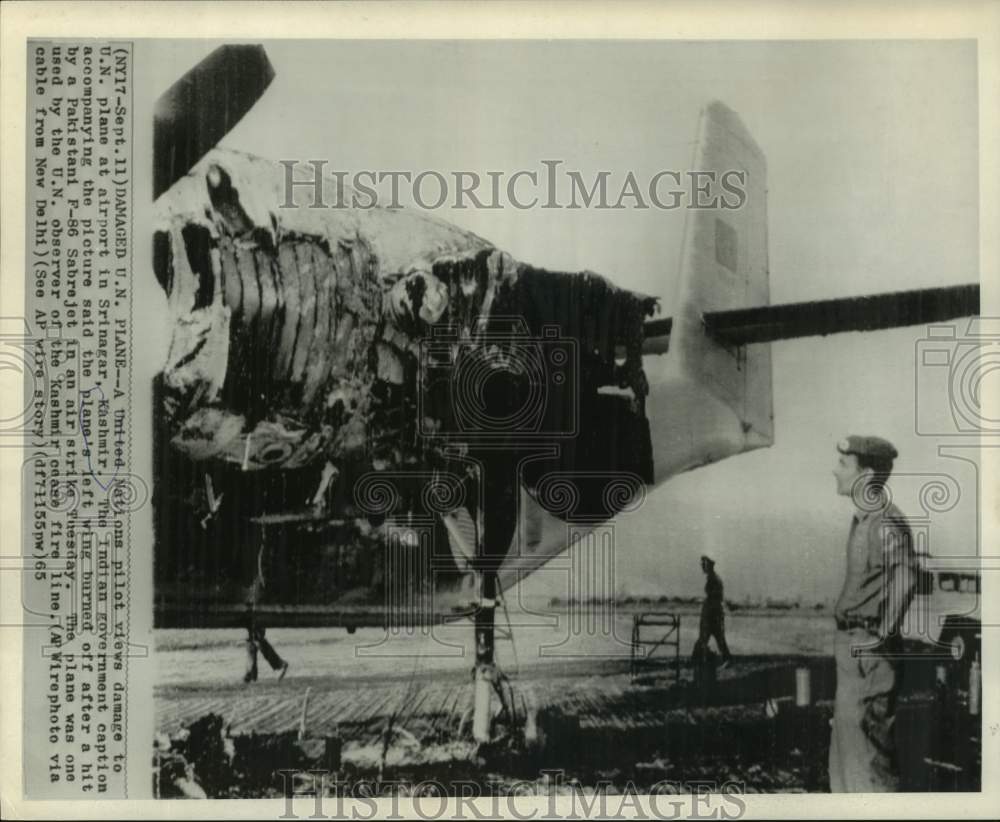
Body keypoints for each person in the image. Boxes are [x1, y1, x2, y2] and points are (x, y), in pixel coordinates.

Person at [829, 435, 917, 792]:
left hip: (867, 650)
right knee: (849, 752)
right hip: (853, 647)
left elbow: (907, 575)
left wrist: (879, 634)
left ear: (865, 474)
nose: (835, 471)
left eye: (843, 464)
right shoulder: (865, 519)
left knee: (868, 761)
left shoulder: (883, 521)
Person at [694, 555, 732, 669]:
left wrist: (705, 604)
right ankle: (698, 659)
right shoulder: (713, 578)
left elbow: (714, 598)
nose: (702, 567)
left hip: (712, 614)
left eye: (704, 564)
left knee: (710, 638)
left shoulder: (713, 579)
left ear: (709, 565)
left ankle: (698, 660)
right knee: (713, 638)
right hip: (713, 613)